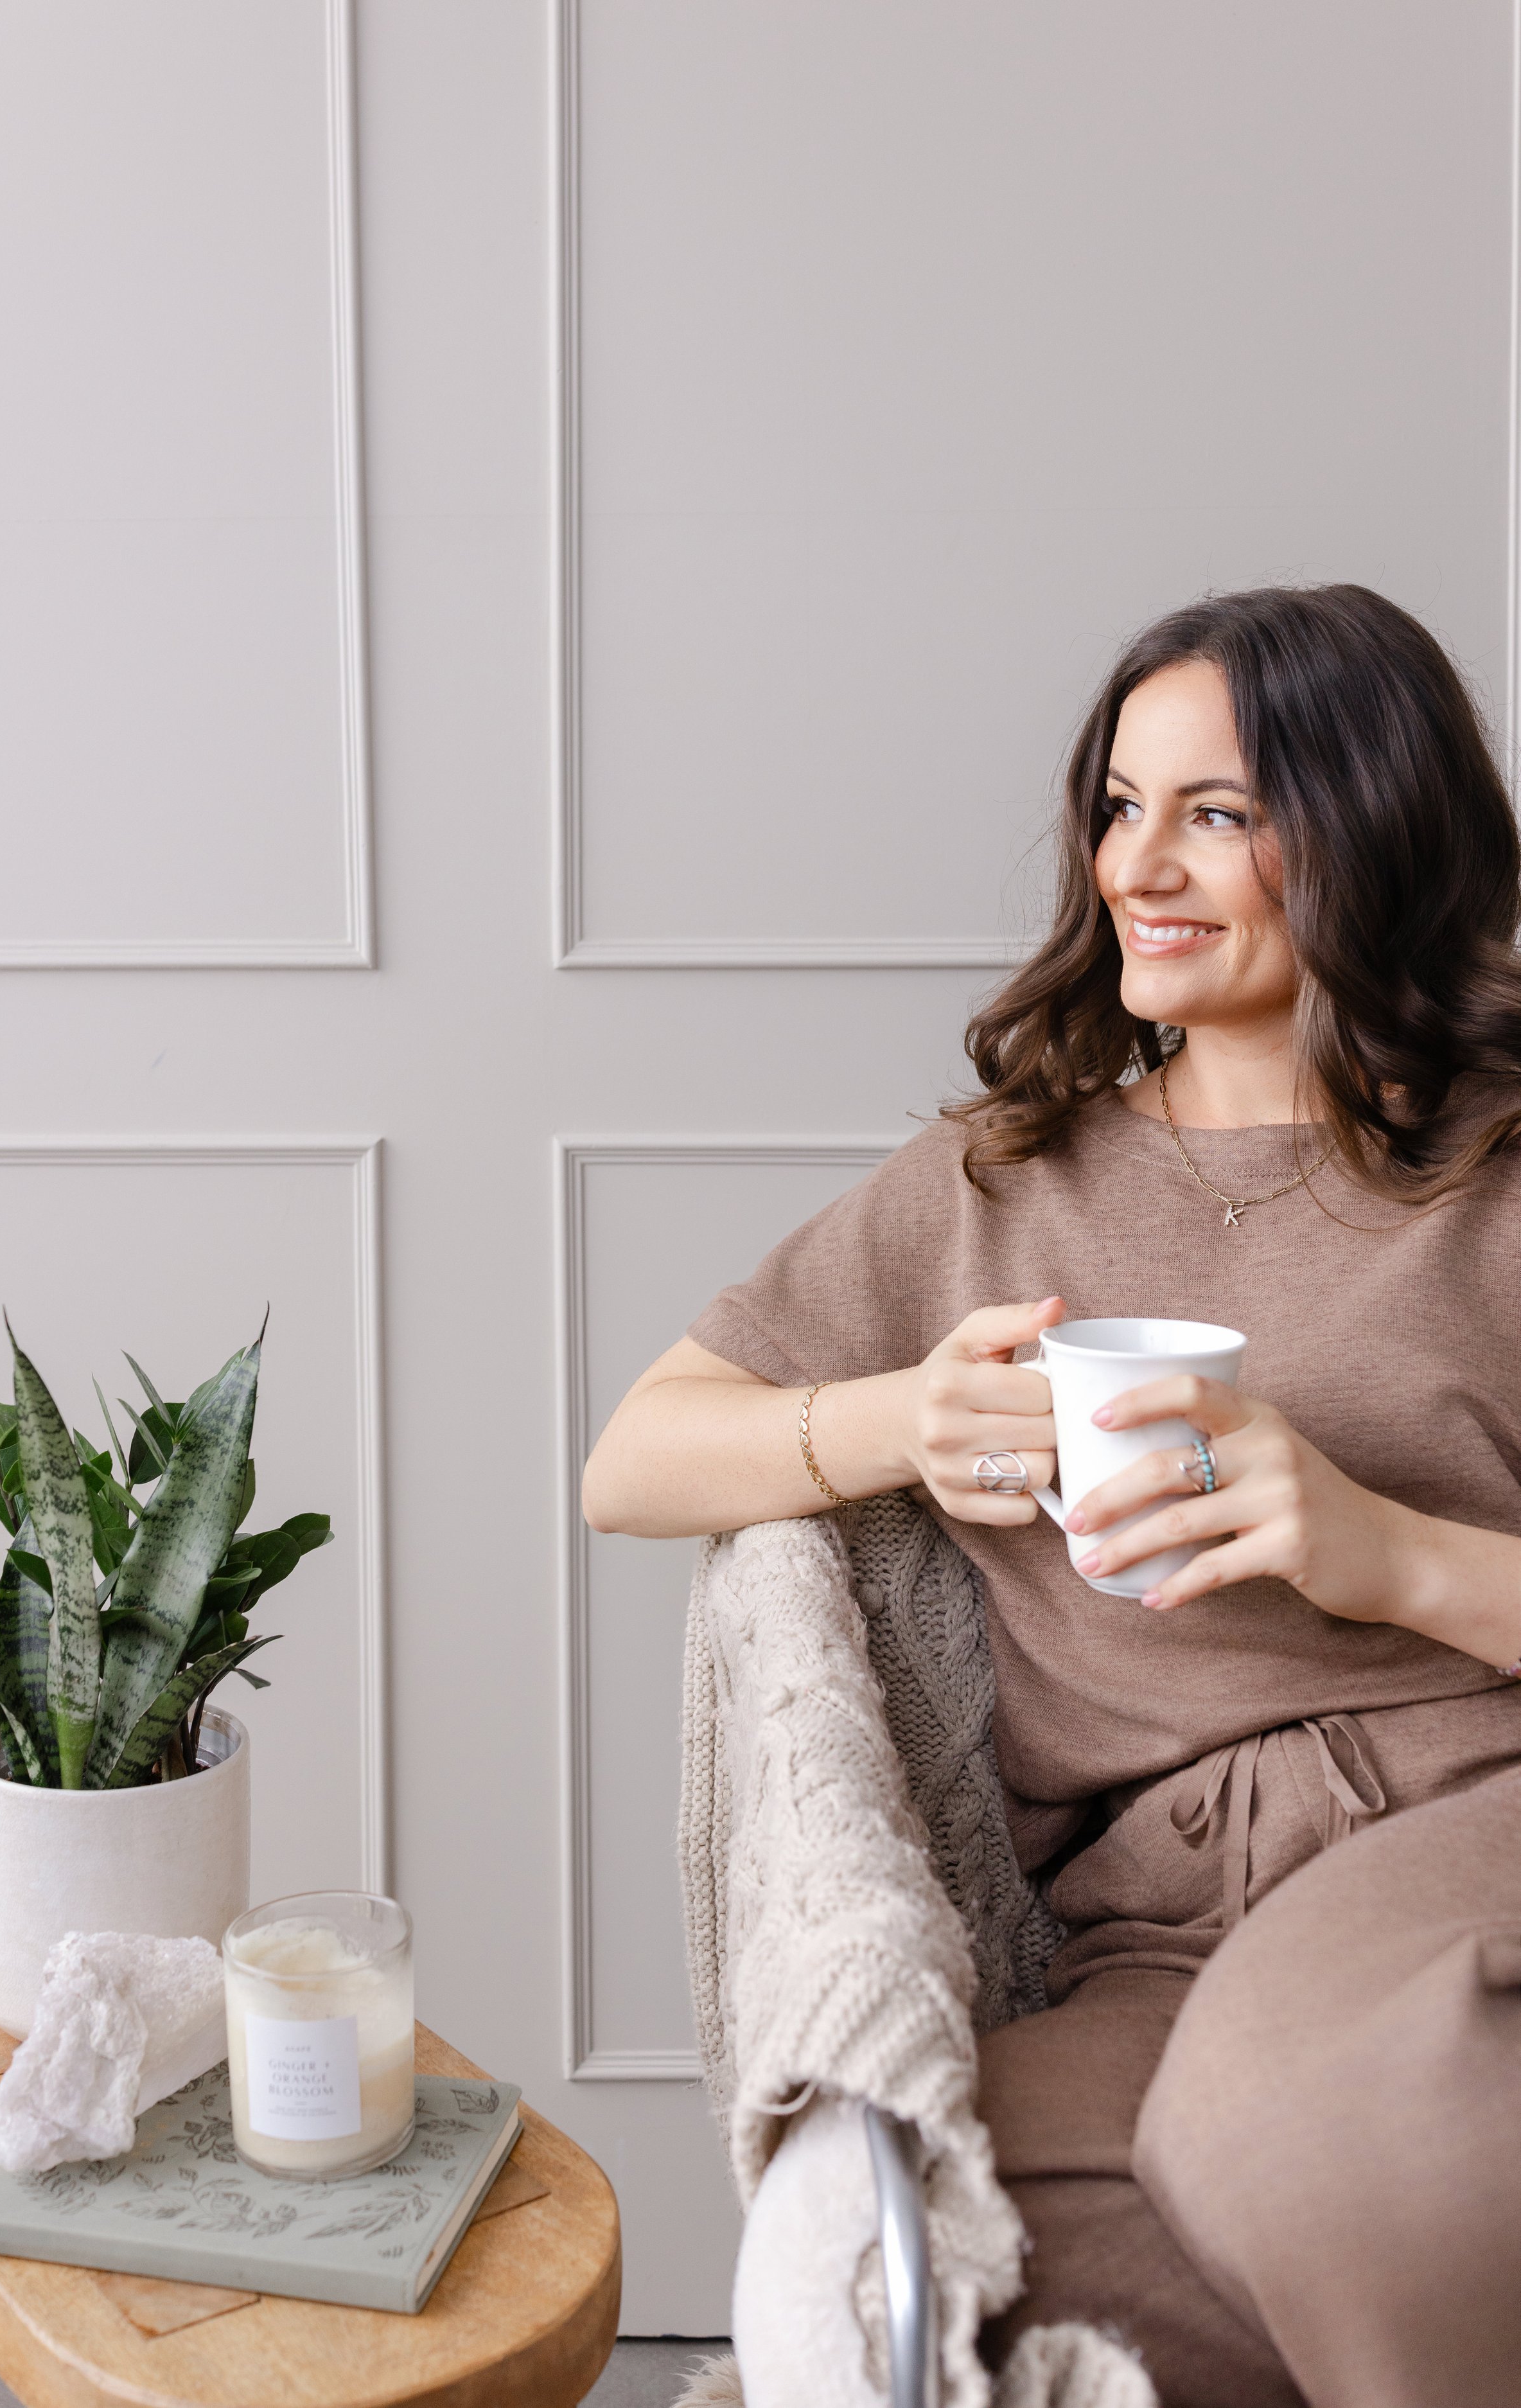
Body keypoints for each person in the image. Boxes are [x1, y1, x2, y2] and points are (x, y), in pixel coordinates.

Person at [583, 585, 1521, 2408]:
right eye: (1114, 803)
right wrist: (892, 1418)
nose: (1132, 864)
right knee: (942, 2274)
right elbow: (636, 1456)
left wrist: (1380, 1549)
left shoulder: (1495, 1178)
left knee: (1310, 2138)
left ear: (1375, 821)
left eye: (1215, 812)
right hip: (1151, 1919)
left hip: (1461, 1806)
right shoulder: (1003, 1175)